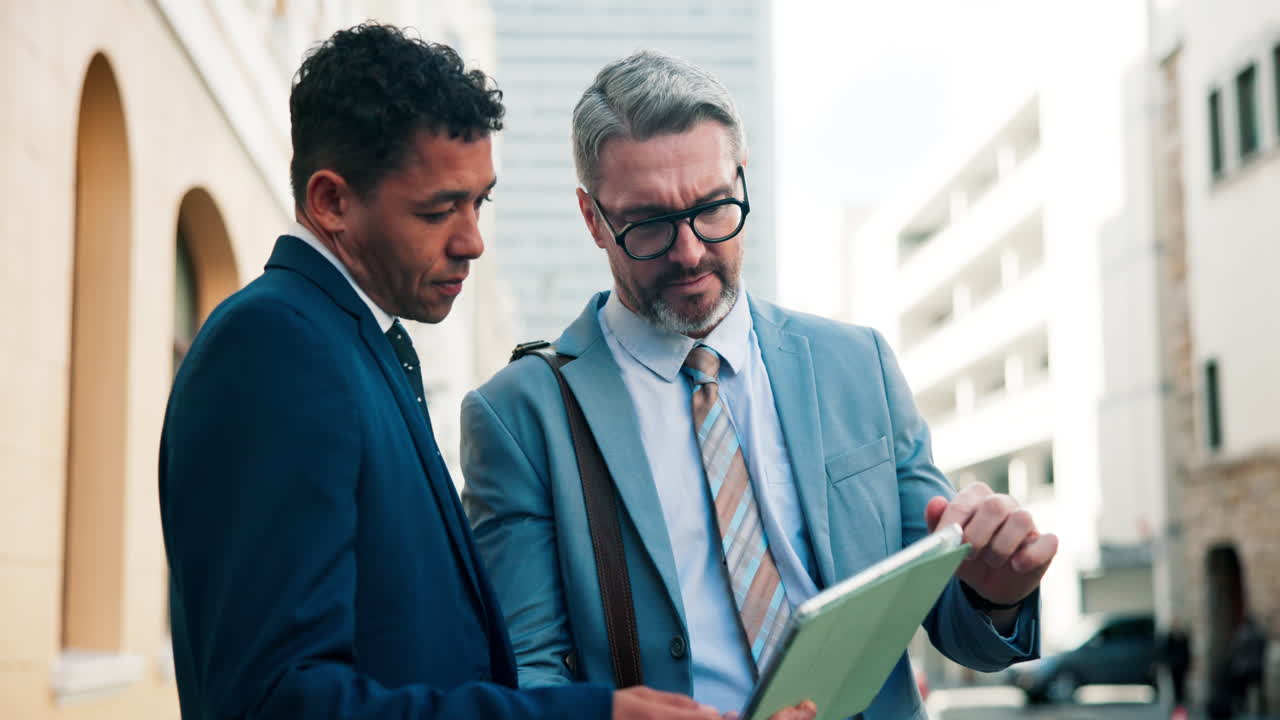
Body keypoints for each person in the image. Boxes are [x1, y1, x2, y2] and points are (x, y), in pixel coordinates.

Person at [159, 25, 757, 720]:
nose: (472, 240)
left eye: (481, 202)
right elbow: (277, 702)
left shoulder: (354, 343)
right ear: (331, 203)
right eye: (440, 209)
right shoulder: (274, 350)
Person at [460, 50, 1058, 719]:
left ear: (742, 178)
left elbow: (946, 618)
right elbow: (526, 671)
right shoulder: (521, 414)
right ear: (593, 218)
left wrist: (992, 592)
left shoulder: (856, 365)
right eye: (649, 222)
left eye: (713, 207)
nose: (689, 251)